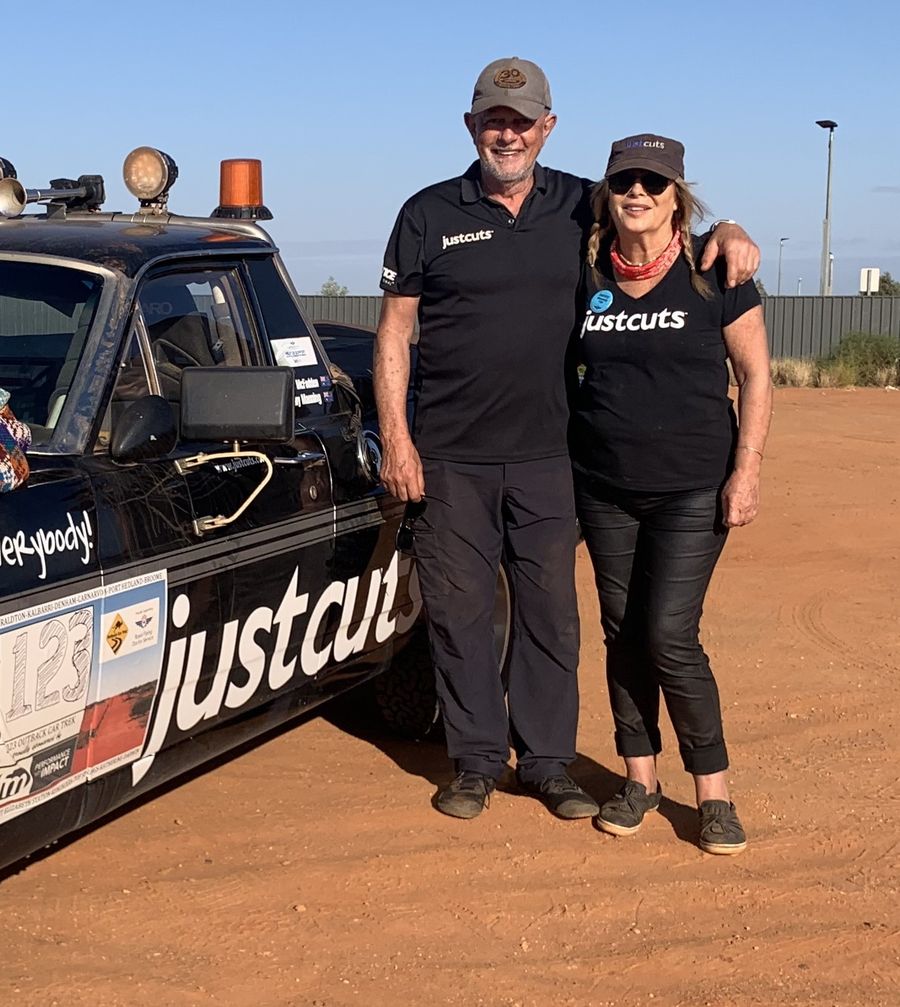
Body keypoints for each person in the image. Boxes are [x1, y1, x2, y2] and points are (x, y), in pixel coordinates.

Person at [374, 57, 760, 821]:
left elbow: (658, 216)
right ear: (471, 126)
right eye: (494, 120)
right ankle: (477, 762)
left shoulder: (582, 203)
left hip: (554, 454)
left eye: (521, 121)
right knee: (459, 613)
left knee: (551, 614)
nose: (507, 134)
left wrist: (730, 230)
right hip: (449, 454)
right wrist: (397, 438)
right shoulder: (427, 213)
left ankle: (549, 763)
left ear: (547, 127)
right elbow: (394, 331)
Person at [570, 134, 772, 854]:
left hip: (693, 486)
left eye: (654, 183)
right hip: (604, 487)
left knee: (669, 635)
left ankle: (713, 793)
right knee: (622, 634)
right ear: (607, 192)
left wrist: (746, 470)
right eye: (625, 180)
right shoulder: (586, 269)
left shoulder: (715, 271)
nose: (638, 192)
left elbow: (755, 375)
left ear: (677, 198)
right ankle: (639, 779)